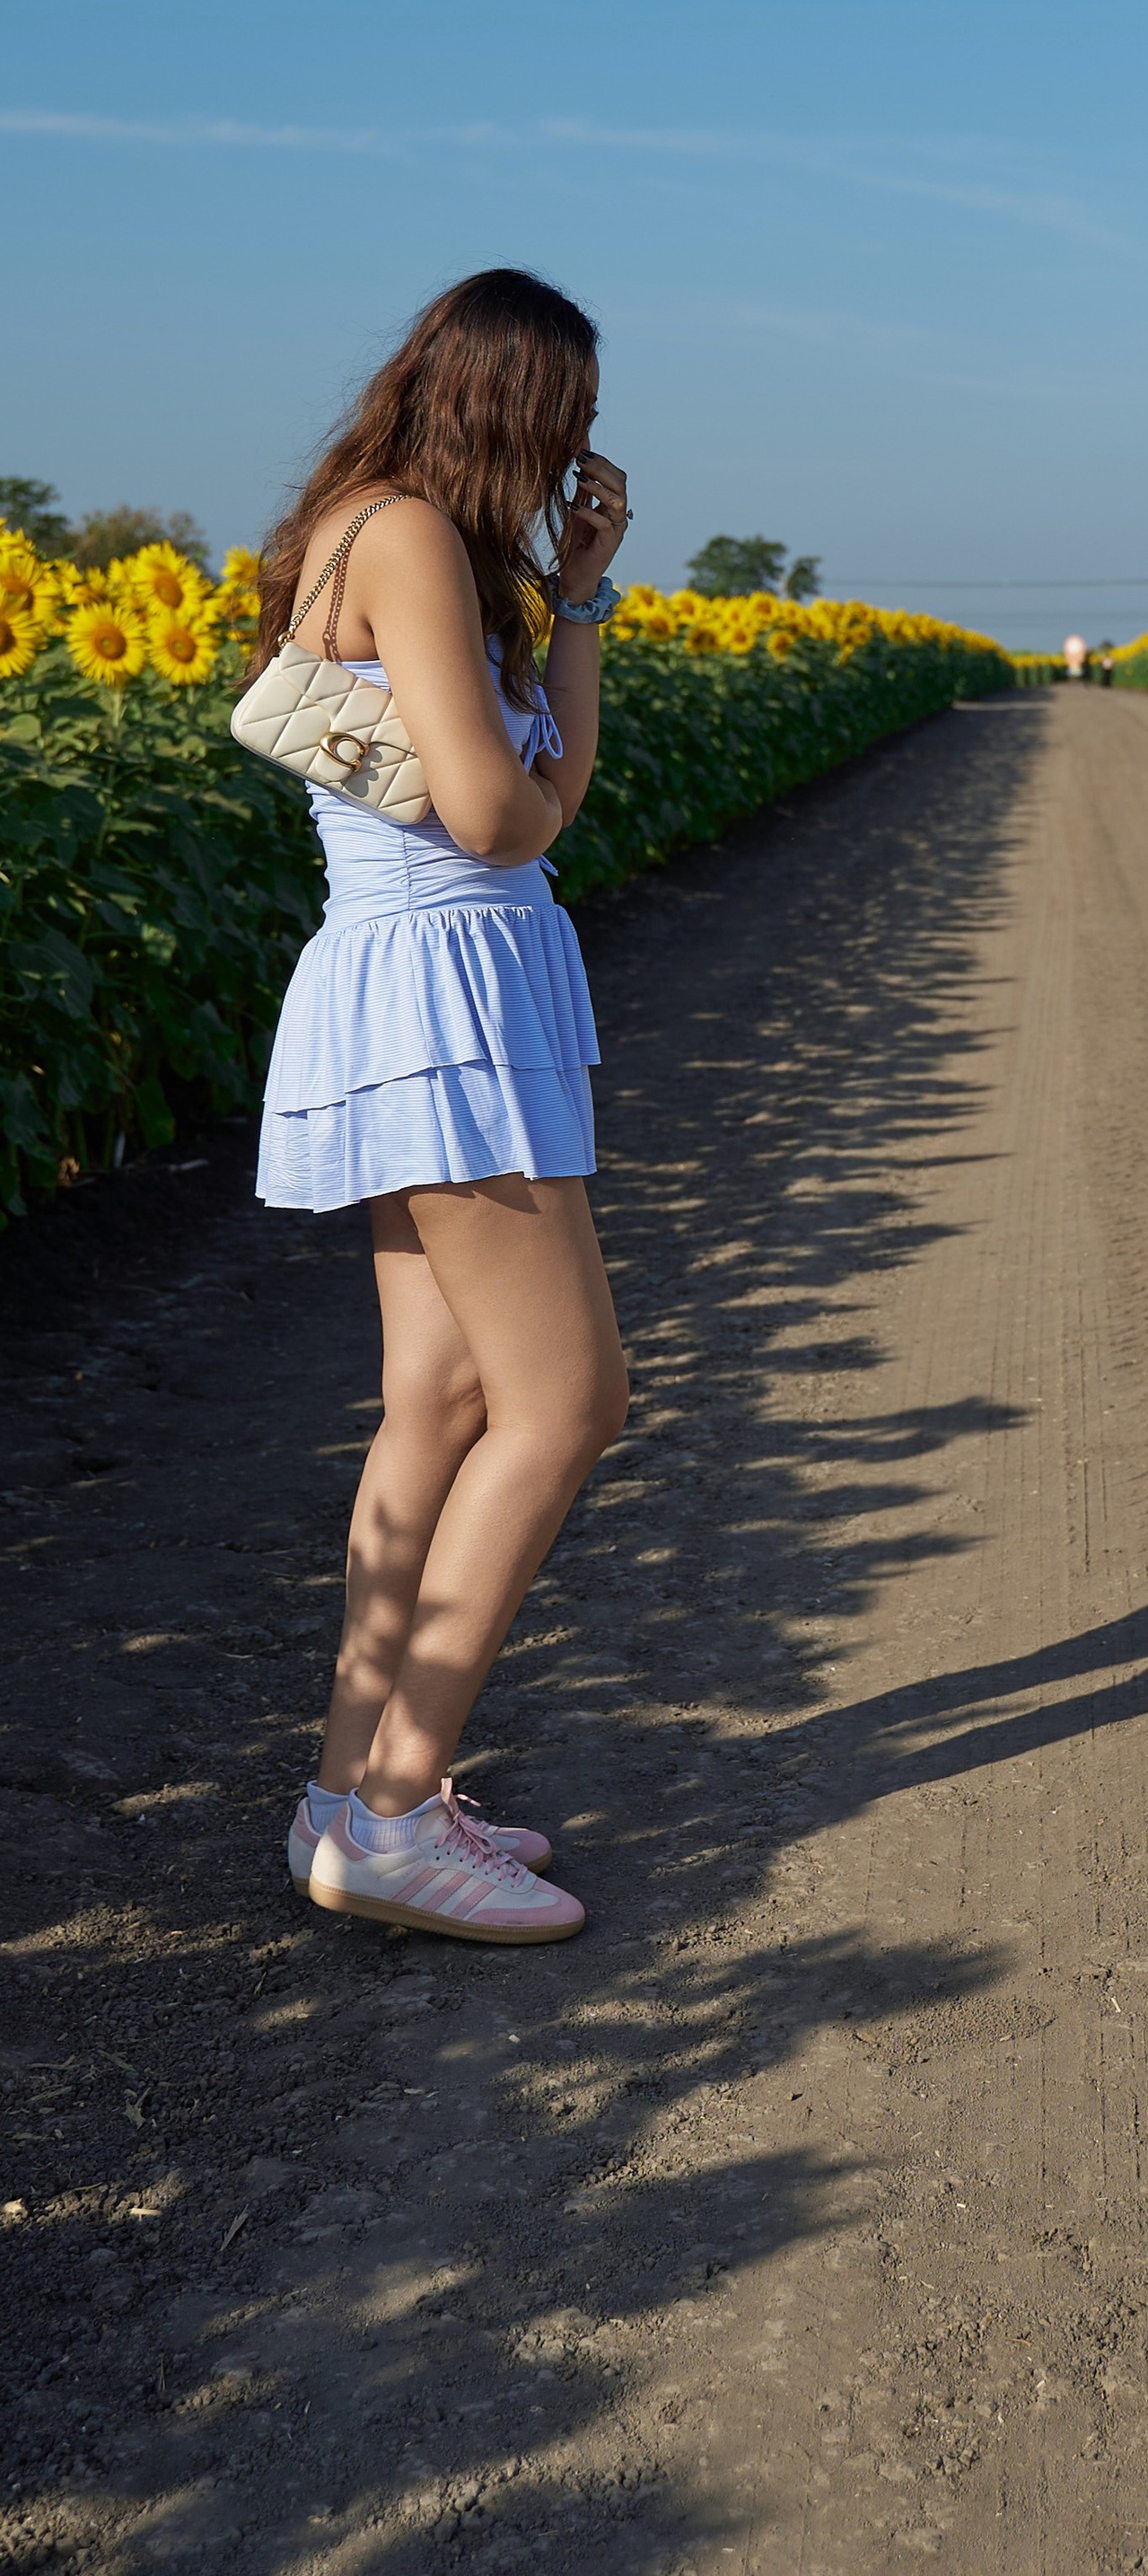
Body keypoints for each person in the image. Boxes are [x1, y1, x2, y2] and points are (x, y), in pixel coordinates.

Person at [252, 268, 633, 1944]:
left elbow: (556, 788)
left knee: (441, 1396)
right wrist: (535, 789)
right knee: (571, 1401)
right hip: (444, 987)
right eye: (560, 428)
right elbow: (499, 814)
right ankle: (401, 1806)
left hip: (441, 979)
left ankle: (352, 1799)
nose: (570, 460)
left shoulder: (392, 529)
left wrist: (578, 599)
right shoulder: (403, 535)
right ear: (501, 406)